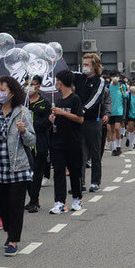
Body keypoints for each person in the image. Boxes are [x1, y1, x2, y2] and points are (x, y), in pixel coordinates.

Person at [0, 76, 35, 255]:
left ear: (12, 92)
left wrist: (23, 130)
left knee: (15, 204)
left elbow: (32, 140)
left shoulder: (22, 112)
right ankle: (9, 230)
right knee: (1, 204)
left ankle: (13, 240)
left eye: (2, 90)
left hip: (17, 167)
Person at [49, 70, 84, 214]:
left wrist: (63, 113)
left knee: (75, 172)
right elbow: (56, 119)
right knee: (58, 173)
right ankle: (59, 202)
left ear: (61, 82)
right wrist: (52, 118)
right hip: (58, 142)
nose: (55, 83)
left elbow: (80, 119)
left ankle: (77, 198)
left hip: (73, 142)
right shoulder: (58, 100)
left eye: (57, 80)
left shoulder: (75, 99)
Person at [73, 53, 106, 192]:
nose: (84, 67)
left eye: (87, 64)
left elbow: (96, 97)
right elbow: (65, 75)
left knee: (95, 152)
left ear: (95, 66)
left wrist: (84, 109)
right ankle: (80, 183)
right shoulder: (79, 78)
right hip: (79, 120)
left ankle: (95, 182)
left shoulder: (100, 81)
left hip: (93, 121)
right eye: (83, 64)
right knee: (80, 153)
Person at [25, 75, 52, 213]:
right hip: (25, 143)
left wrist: (32, 124)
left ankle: (34, 201)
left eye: (32, 84)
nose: (29, 87)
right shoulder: (22, 103)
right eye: (26, 84)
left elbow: (47, 123)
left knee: (37, 173)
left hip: (40, 142)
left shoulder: (45, 103)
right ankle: (32, 198)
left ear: (39, 86)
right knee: (27, 173)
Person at [107, 74, 126, 156]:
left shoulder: (122, 86)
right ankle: (114, 148)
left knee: (117, 128)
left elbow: (125, 98)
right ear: (111, 77)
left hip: (119, 111)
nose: (115, 78)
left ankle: (118, 145)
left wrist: (124, 114)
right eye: (114, 76)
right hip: (110, 111)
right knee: (111, 130)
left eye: (117, 76)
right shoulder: (108, 87)